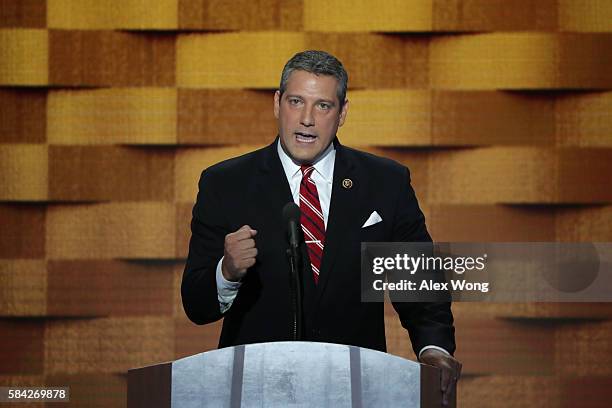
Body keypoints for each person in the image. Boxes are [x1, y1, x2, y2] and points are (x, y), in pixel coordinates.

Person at [182, 50, 461, 405]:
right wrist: (228, 271)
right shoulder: (225, 183)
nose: (307, 119)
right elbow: (196, 303)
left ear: (342, 113)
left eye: (323, 106)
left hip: (355, 389)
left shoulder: (385, 182)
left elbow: (419, 284)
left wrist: (432, 348)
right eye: (296, 101)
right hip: (257, 391)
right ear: (277, 103)